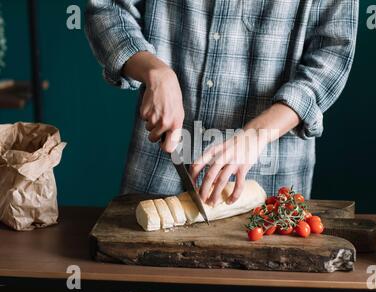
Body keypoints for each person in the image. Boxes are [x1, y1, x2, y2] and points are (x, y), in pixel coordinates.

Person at [85, 0, 358, 205]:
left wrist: (258, 134)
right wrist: (154, 71)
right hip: (157, 171)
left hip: (273, 178)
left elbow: (332, 56)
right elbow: (108, 9)